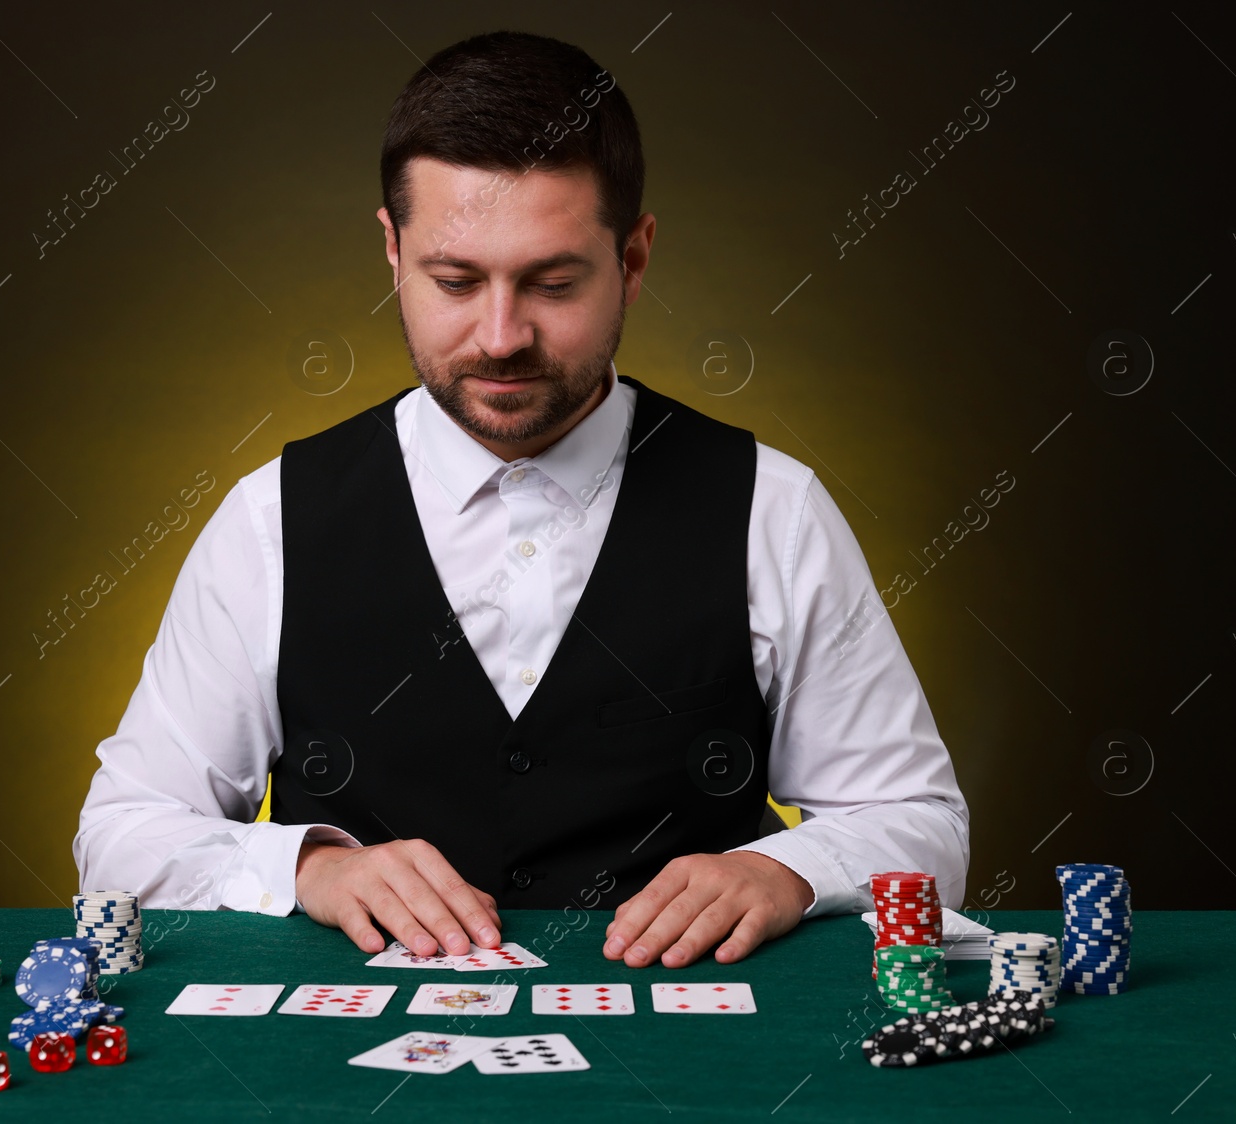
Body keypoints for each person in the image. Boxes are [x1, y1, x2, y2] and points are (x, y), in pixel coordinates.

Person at [74, 30, 967, 971]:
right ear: (391, 251)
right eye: (455, 281)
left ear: (633, 257)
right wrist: (307, 868)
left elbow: (920, 825)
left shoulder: (772, 512)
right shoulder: (271, 521)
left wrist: (790, 871)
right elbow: (121, 837)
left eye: (552, 282)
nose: (501, 337)